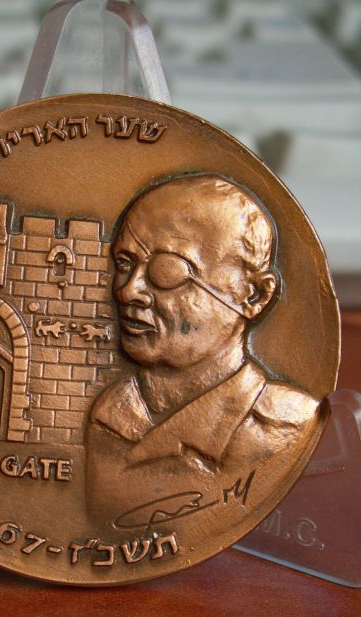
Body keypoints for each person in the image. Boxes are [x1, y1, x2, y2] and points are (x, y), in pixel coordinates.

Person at [85, 173, 321, 531]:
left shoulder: (289, 430)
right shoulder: (109, 414)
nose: (128, 291)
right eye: (125, 264)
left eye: (168, 270)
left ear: (253, 295)